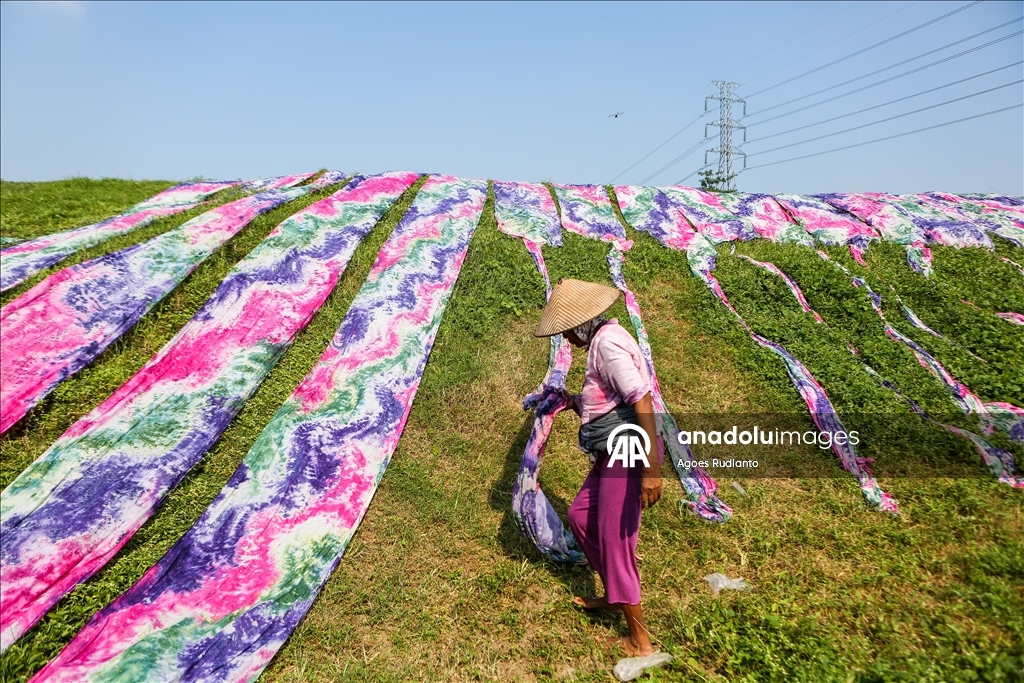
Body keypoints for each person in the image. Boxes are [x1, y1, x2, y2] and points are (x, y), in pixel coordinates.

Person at [534, 277, 663, 657]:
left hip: (628, 452)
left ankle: (640, 640)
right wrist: (572, 401)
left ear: (581, 323)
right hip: (612, 450)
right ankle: (615, 596)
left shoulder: (606, 344)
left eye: (567, 331)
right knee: (580, 516)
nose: (566, 339)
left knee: (614, 540)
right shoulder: (603, 340)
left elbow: (641, 398)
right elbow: (608, 401)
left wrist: (652, 469)